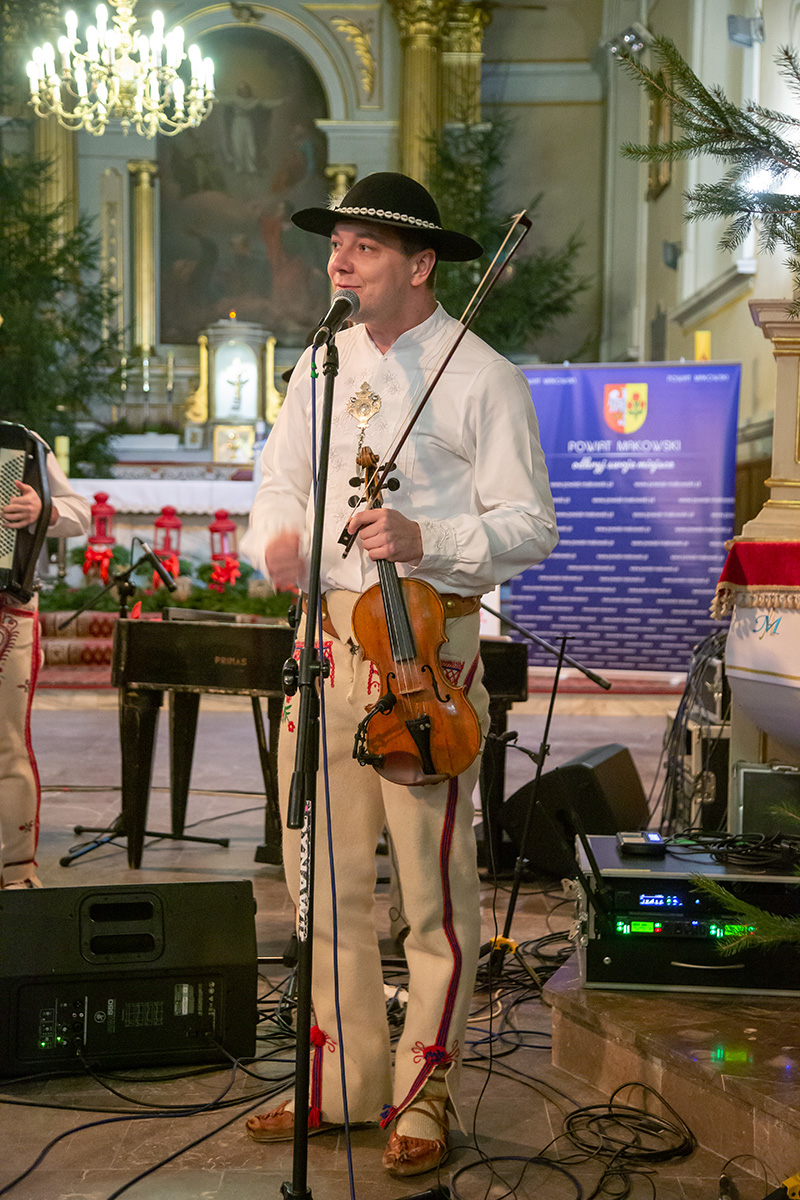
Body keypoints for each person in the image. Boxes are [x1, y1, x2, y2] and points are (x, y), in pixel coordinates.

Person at [241, 172, 558, 1177]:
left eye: (364, 246)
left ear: (421, 265)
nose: (339, 260)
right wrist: (277, 538)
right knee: (323, 883)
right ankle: (339, 1082)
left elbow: (530, 527)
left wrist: (430, 537)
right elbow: (280, 481)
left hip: (427, 654)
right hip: (330, 644)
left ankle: (425, 1090)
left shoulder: (484, 377)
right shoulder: (319, 363)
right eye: (336, 244)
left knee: (430, 890)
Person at [0, 429, 90, 889]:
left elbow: (80, 514)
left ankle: (15, 872)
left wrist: (44, 509)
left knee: (6, 742)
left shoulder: (21, 444)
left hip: (6, 608)